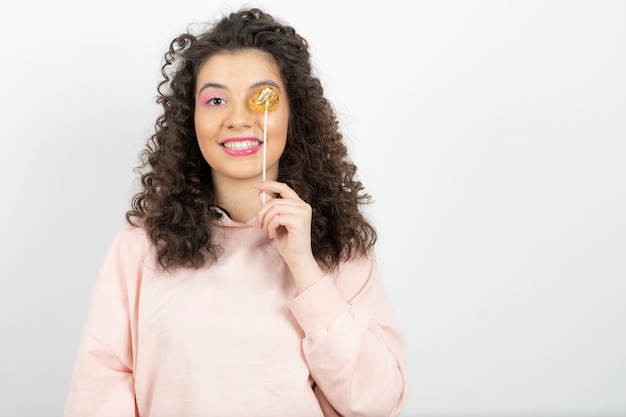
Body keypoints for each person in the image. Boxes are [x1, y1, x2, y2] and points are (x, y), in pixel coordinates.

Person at [64, 7, 407, 417]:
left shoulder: (339, 248)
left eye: (261, 98)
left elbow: (376, 403)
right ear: (191, 119)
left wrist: (305, 268)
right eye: (216, 99)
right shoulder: (141, 247)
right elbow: (100, 390)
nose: (239, 118)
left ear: (292, 114)